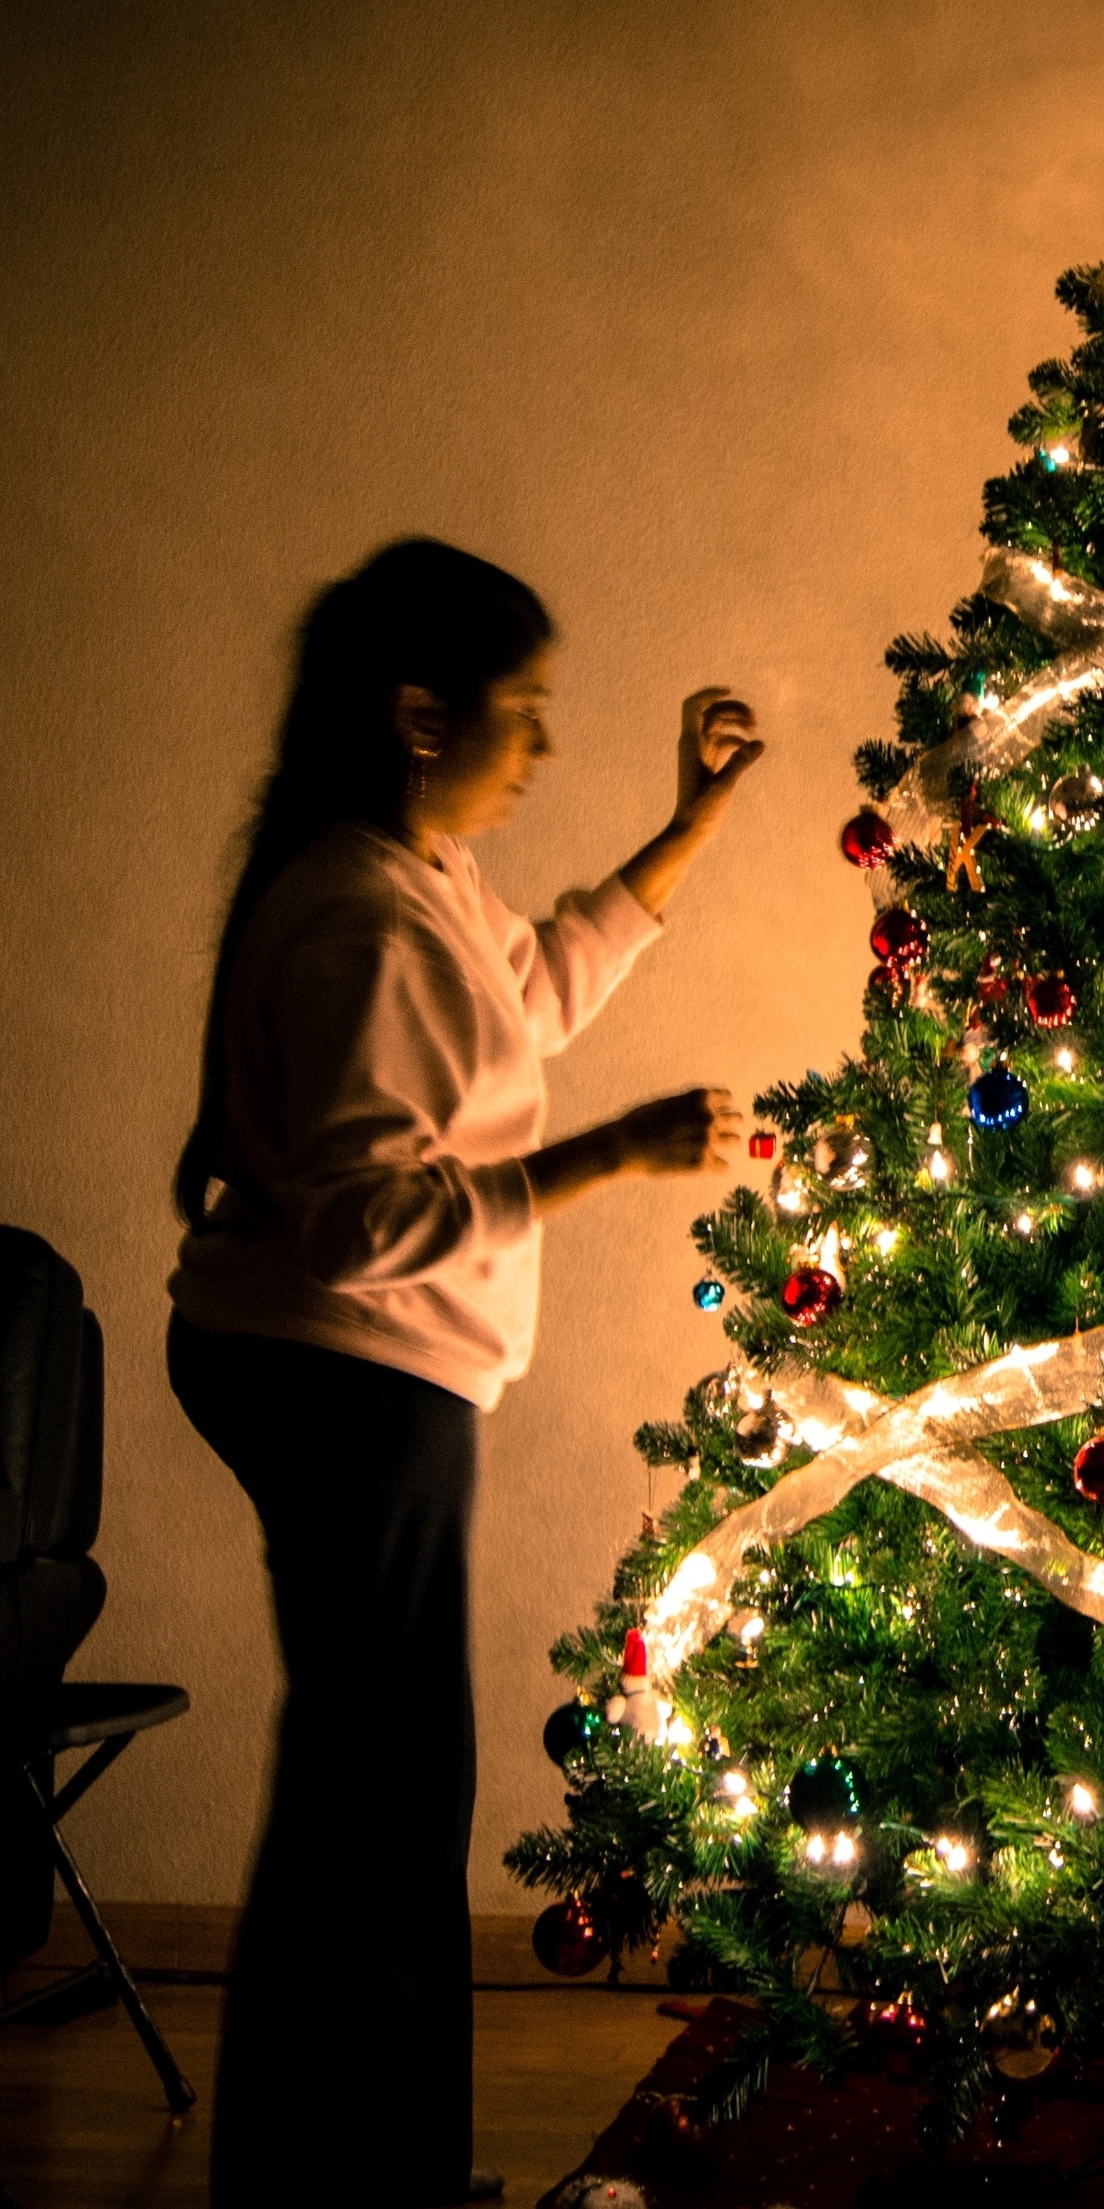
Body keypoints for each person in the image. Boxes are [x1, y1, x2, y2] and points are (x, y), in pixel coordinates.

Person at [166, 538, 760, 2208]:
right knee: (383, 1810)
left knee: (371, 1790)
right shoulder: (358, 910)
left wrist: (691, 820)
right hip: (348, 1374)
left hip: (354, 1370)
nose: (544, 748)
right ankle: (366, 2179)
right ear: (424, 715)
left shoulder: (414, 877)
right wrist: (607, 1155)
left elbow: (530, 986)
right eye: (528, 712)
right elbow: (364, 1222)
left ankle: (341, 2171)